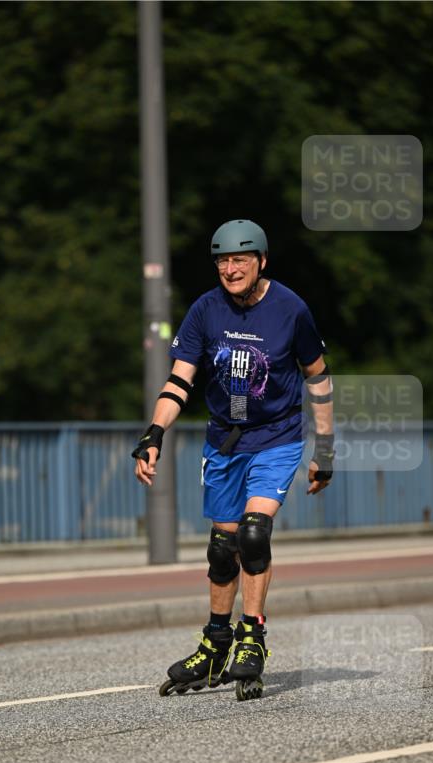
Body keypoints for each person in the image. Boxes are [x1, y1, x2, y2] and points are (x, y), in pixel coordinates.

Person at [132, 219, 334, 701]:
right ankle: (215, 642)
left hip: (277, 438)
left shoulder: (290, 309)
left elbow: (318, 378)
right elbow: (179, 380)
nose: (230, 269)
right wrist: (154, 433)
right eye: (222, 261)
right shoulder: (205, 309)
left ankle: (252, 636)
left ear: (261, 261)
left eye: (240, 259)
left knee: (253, 534)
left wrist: (324, 449)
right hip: (224, 442)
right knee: (222, 550)